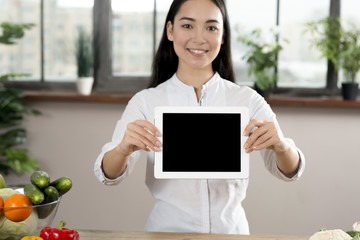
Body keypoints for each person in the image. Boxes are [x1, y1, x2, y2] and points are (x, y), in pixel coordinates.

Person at [94, 0, 305, 234]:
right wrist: (123, 148)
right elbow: (108, 174)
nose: (199, 38)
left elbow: (290, 171)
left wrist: (282, 146)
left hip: (231, 234)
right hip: (166, 233)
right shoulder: (145, 101)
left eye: (211, 27)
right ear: (170, 31)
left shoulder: (247, 100)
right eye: (187, 26)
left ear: (223, 36)